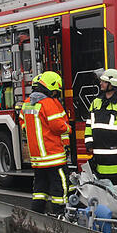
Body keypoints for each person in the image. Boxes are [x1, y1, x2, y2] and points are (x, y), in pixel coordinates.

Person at [22, 71, 71, 215]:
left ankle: (37, 214)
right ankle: (59, 214)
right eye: (56, 91)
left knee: (39, 189)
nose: (56, 94)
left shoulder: (28, 103)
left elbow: (24, 122)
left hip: (38, 158)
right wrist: (68, 128)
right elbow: (58, 126)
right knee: (59, 187)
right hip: (52, 155)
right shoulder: (48, 103)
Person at [84, 68, 117, 185]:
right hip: (101, 166)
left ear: (112, 83)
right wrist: (88, 143)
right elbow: (89, 124)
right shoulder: (96, 102)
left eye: (103, 81)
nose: (101, 83)